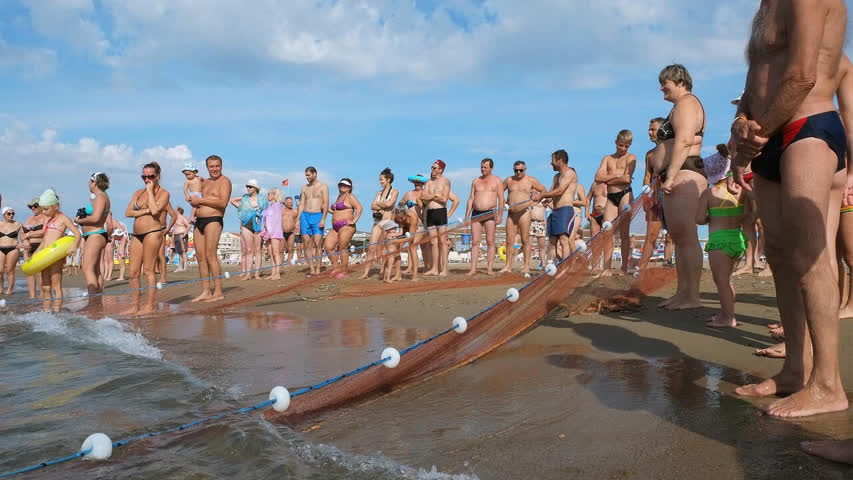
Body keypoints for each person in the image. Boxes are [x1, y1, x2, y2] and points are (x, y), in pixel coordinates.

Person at [730, 0, 848, 418]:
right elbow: (753, 79)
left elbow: (801, 75)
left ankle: (828, 385)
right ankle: (796, 370)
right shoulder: (766, 4)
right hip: (767, 135)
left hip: (806, 125)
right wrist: (742, 123)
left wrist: (754, 136)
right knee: (778, 255)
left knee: (808, 254)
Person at [650, 64, 707, 310]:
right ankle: (683, 293)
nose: (662, 87)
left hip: (685, 173)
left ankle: (692, 296)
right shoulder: (678, 106)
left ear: (679, 81)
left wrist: (671, 176)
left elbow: (684, 141)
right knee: (680, 238)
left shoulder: (686, 103)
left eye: (665, 83)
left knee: (687, 238)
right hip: (678, 173)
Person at [695, 146, 746, 328]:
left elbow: (699, 219)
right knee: (728, 278)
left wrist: (711, 217)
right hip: (738, 239)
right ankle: (727, 312)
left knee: (721, 281)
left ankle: (728, 318)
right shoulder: (741, 191)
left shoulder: (709, 193)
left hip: (719, 240)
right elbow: (750, 213)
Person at [124, 163, 170, 315]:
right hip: (137, 234)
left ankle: (149, 305)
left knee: (149, 270)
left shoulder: (164, 193)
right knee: (133, 272)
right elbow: (128, 212)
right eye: (144, 176)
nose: (147, 180)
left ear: (157, 176)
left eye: (150, 176)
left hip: (153, 232)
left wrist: (150, 192)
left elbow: (156, 211)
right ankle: (135, 305)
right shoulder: (138, 192)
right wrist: (146, 211)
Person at [188, 155, 232, 302]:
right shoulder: (204, 182)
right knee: (200, 257)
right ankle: (206, 291)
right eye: (211, 166)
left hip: (214, 219)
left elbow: (223, 202)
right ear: (207, 167)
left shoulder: (225, 181)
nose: (214, 169)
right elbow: (196, 195)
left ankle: (218, 292)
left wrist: (200, 200)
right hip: (199, 220)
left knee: (210, 255)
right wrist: (193, 201)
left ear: (221, 166)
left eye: (217, 166)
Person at [595, 130, 636, 275]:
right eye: (621, 145)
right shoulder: (607, 158)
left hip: (625, 194)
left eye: (626, 146)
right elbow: (597, 178)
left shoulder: (631, 158)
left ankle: (624, 268)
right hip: (611, 197)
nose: (623, 149)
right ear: (616, 142)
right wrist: (617, 175)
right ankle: (607, 268)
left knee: (624, 233)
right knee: (607, 231)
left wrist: (608, 177)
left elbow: (626, 179)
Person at [639, 117, 675, 270]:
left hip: (672, 196)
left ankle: (668, 262)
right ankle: (641, 268)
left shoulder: (673, 150)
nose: (649, 132)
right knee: (651, 235)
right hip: (655, 198)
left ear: (662, 130)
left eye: (653, 129)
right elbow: (647, 176)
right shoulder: (650, 155)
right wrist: (645, 197)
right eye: (649, 129)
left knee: (673, 234)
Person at [37, 188, 81, 313]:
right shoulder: (47, 220)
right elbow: (45, 240)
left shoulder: (63, 218)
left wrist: (73, 246)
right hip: (45, 256)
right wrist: (35, 254)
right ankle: (46, 312)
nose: (44, 212)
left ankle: (56, 311)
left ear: (55, 206)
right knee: (45, 287)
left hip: (55, 257)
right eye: (42, 209)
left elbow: (77, 234)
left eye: (46, 209)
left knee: (56, 285)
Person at [500, 161, 547, 274]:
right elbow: (499, 192)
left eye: (521, 170)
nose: (518, 172)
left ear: (525, 169)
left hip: (524, 212)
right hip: (511, 213)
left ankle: (526, 266)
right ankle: (508, 266)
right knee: (509, 240)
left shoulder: (531, 180)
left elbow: (544, 191)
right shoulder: (509, 180)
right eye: (516, 170)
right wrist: (503, 203)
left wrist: (538, 196)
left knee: (525, 240)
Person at [531, 150, 578, 261]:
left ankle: (565, 268)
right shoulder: (556, 177)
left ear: (559, 160)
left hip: (565, 210)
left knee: (563, 240)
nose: (551, 163)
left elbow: (560, 191)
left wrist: (542, 194)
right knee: (552, 242)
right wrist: (541, 198)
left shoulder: (570, 173)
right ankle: (552, 266)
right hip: (555, 212)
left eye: (552, 160)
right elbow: (551, 194)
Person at [465, 158, 504, 276]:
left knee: (490, 241)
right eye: (481, 167)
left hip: (490, 213)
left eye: (485, 167)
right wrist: (467, 216)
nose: (482, 169)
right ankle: (473, 269)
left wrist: (500, 215)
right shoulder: (476, 181)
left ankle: (489, 268)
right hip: (476, 213)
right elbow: (471, 198)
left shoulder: (497, 181)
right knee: (475, 241)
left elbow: (501, 199)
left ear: (491, 168)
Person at [76, 172, 112, 299]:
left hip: (95, 234)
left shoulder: (101, 197)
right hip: (94, 234)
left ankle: (93, 303)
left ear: (94, 183)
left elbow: (96, 218)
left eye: (89, 181)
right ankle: (97, 303)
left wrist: (79, 221)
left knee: (88, 270)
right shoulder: (100, 197)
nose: (88, 184)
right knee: (96, 271)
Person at [360, 168, 399, 279]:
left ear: (388, 179)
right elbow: (373, 206)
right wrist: (384, 204)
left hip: (388, 222)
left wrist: (381, 204)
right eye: (380, 180)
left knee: (384, 247)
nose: (380, 182)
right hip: (378, 222)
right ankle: (366, 273)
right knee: (372, 247)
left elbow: (390, 204)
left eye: (382, 179)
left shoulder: (394, 191)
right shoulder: (379, 193)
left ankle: (383, 271)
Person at [324, 179, 363, 278]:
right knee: (328, 247)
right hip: (335, 226)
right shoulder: (339, 197)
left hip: (346, 225)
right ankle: (336, 268)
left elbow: (359, 207)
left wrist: (354, 220)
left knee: (342, 248)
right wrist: (326, 207)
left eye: (345, 185)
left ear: (350, 187)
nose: (342, 186)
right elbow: (335, 212)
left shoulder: (350, 196)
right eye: (341, 185)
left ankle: (344, 271)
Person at [231, 179, 268, 280]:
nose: (248, 188)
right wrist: (243, 196)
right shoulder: (244, 200)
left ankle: (256, 274)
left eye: (250, 186)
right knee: (248, 250)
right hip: (246, 225)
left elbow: (266, 214)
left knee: (258, 250)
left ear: (255, 188)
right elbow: (232, 201)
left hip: (258, 225)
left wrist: (266, 228)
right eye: (247, 186)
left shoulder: (263, 199)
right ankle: (248, 274)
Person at [296, 167, 329, 277]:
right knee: (306, 243)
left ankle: (318, 268)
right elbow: (301, 204)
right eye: (306, 175)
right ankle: (312, 269)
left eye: (309, 175)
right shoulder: (304, 188)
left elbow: (326, 203)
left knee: (317, 243)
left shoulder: (323, 187)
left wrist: (323, 219)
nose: (307, 177)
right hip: (305, 216)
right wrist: (297, 219)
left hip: (317, 216)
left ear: (315, 174)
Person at [421, 160, 451, 276]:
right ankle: (434, 268)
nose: (432, 170)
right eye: (432, 168)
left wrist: (430, 197)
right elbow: (423, 196)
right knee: (433, 242)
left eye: (434, 168)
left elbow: (444, 199)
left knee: (442, 242)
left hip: (440, 212)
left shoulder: (445, 182)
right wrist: (434, 195)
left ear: (440, 170)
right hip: (430, 213)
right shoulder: (429, 182)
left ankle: (444, 269)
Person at [400, 174, 427, 280]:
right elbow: (401, 203)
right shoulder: (409, 193)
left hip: (420, 224)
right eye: (416, 182)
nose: (417, 184)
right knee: (407, 245)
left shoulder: (425, 193)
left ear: (422, 183)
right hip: (409, 223)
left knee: (414, 246)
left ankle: (416, 272)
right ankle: (408, 268)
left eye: (419, 182)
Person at [22, 198, 44, 299]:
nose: (33, 208)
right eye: (31, 207)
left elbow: (44, 231)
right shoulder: (29, 218)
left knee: (40, 272)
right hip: (27, 247)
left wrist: (29, 234)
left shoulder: (45, 217)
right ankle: (32, 296)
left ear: (41, 206)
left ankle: (42, 295)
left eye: (35, 206)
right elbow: (22, 233)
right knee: (29, 272)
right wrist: (25, 240)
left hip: (40, 245)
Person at [261, 188, 285, 280]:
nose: (268, 196)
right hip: (268, 232)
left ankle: (277, 273)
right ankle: (273, 272)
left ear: (274, 195)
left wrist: (269, 231)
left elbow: (275, 220)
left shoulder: (277, 205)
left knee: (276, 253)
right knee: (271, 253)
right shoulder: (270, 206)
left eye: (269, 194)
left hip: (275, 231)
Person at [0, 206, 24, 295]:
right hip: (0, 248)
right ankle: (0, 288)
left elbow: (23, 236)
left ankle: (9, 290)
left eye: (13, 213)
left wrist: (22, 243)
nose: (11, 215)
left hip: (13, 249)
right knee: (0, 271)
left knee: (10, 270)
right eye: (9, 213)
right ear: (4, 214)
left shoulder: (18, 224)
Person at [529, 197, 549, 268]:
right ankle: (526, 264)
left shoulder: (543, 199)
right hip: (531, 222)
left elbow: (550, 203)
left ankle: (543, 264)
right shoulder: (529, 198)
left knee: (541, 246)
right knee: (528, 245)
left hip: (540, 223)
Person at [171, 207, 192, 272]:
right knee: (179, 252)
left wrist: (185, 234)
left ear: (178, 211)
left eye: (175, 209)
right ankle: (180, 267)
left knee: (183, 252)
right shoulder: (175, 218)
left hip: (181, 236)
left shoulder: (182, 217)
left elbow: (189, 225)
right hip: (176, 236)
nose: (174, 210)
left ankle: (185, 267)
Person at [281, 196, 298, 265]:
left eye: (291, 202)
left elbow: (297, 220)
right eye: (289, 202)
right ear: (285, 203)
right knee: (281, 249)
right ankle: (280, 264)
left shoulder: (294, 211)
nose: (291, 204)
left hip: (291, 232)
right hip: (282, 232)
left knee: (290, 249)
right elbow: (277, 201)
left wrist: (296, 227)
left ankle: (289, 264)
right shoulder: (281, 210)